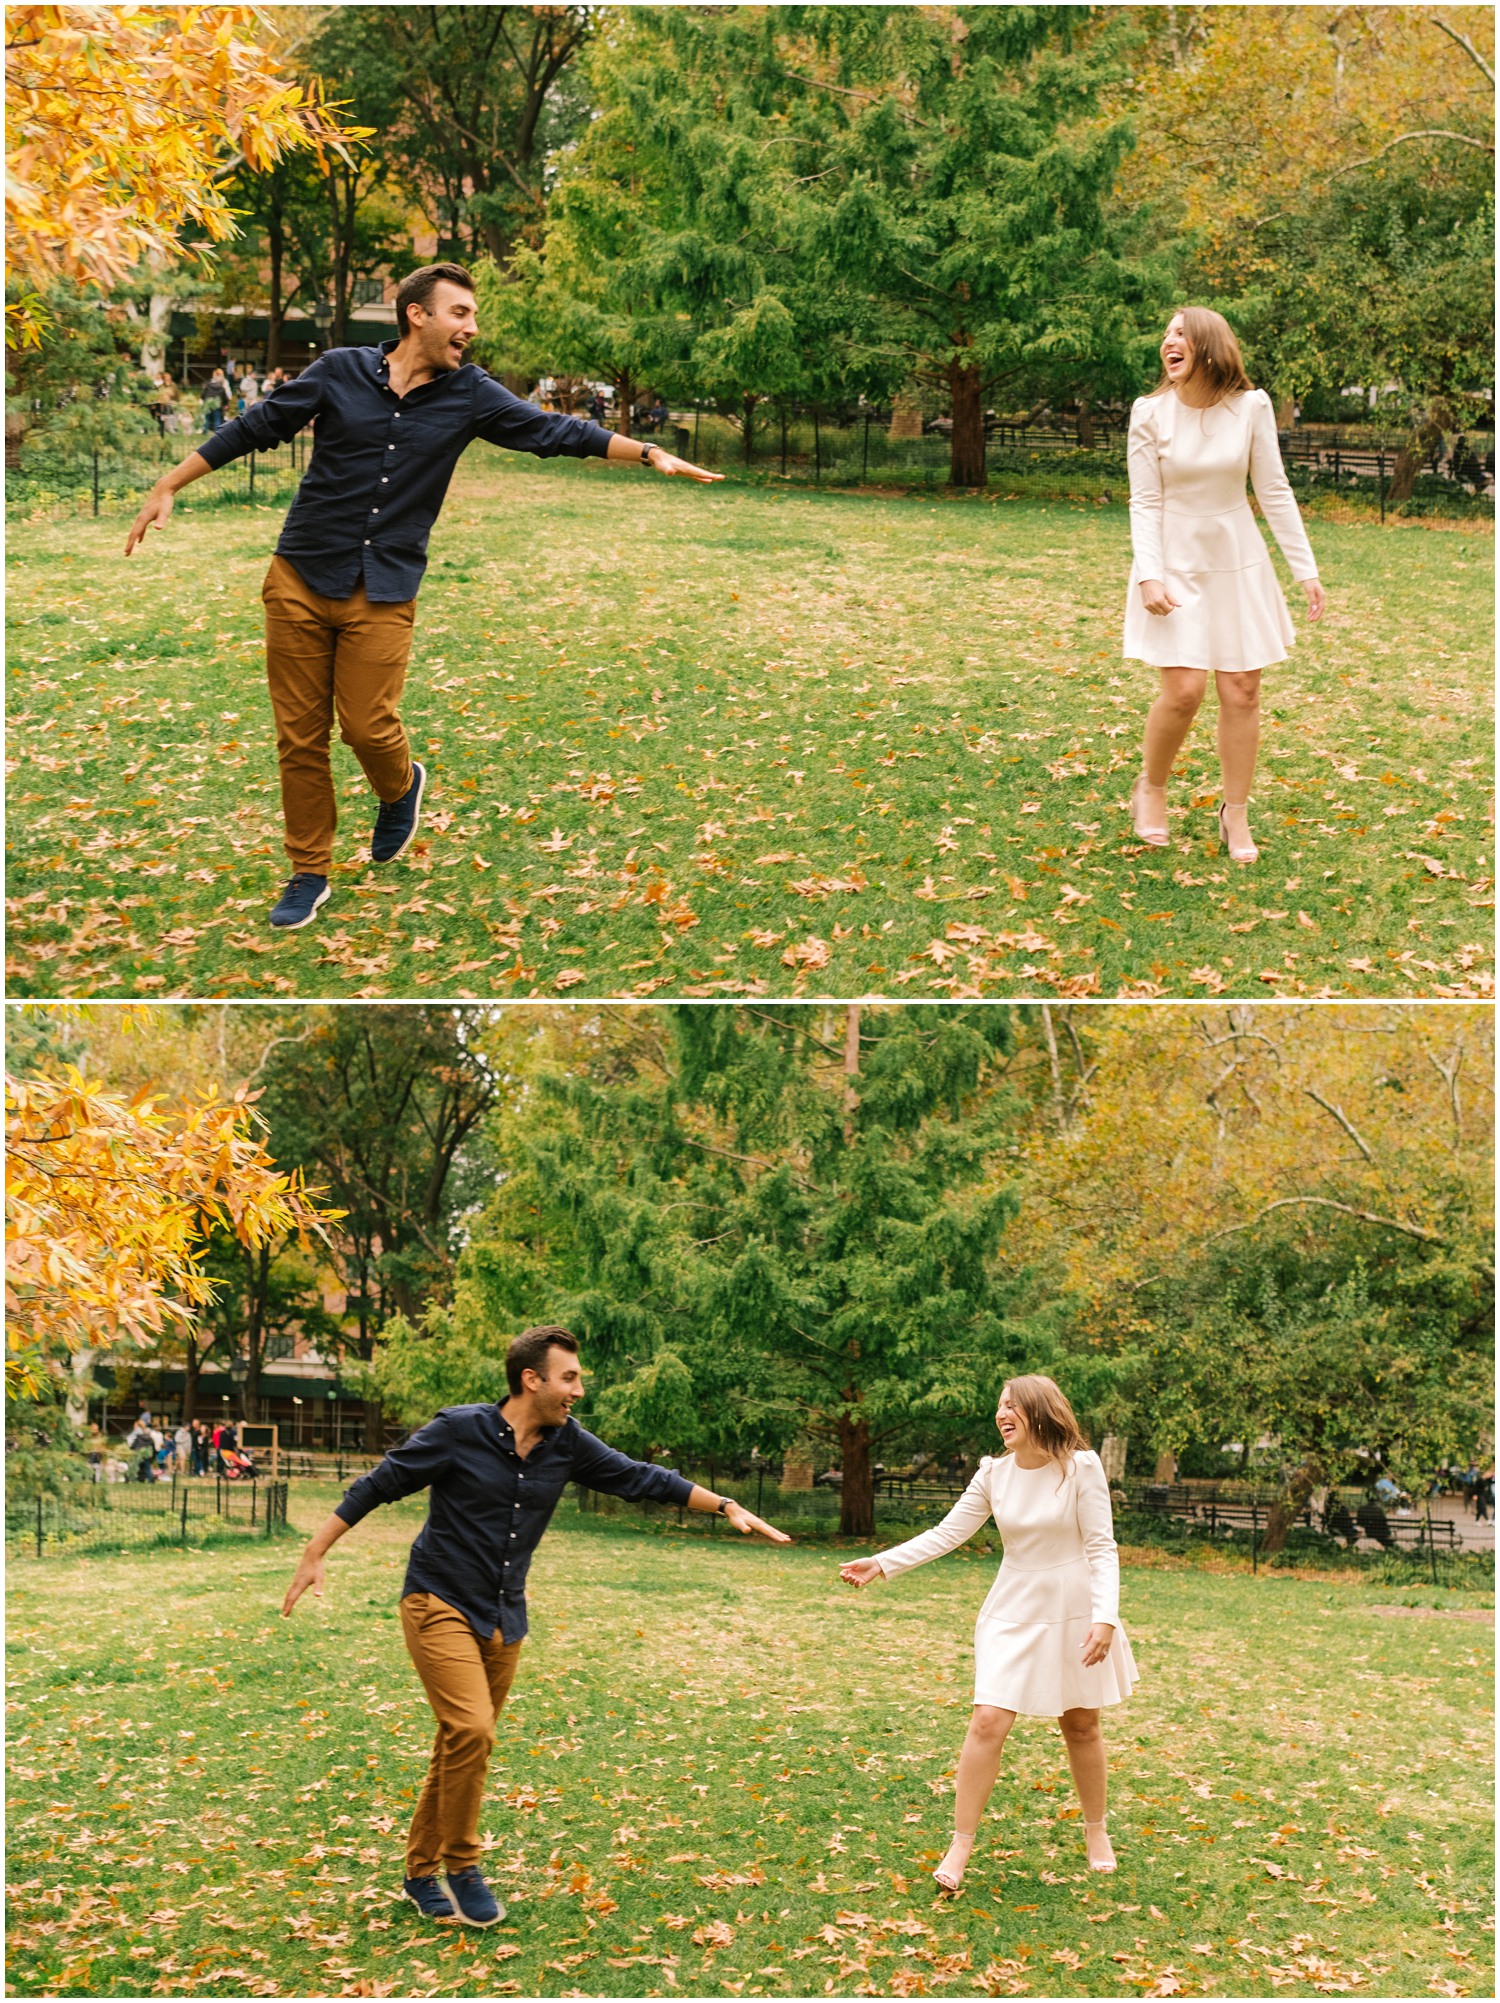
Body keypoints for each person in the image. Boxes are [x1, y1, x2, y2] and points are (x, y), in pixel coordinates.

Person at [124, 264, 724, 932]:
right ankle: (309, 871)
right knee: (300, 737)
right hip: (299, 575)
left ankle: (400, 785)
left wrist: (646, 453)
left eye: (472, 315)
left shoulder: (471, 394)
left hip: (383, 588)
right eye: (460, 313)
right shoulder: (338, 370)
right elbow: (255, 426)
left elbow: (552, 431)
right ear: (418, 316)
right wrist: (169, 484)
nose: (471, 327)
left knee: (365, 725)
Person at [282, 1324, 789, 1928]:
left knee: (458, 1744)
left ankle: (420, 1873)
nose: (577, 1390)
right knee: (471, 1729)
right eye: (569, 1377)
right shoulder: (458, 1430)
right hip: (437, 1600)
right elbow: (379, 1484)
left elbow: (640, 1477)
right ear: (532, 1379)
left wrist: (727, 1505)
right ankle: (463, 1866)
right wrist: (315, 1552)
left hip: (504, 1616)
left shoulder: (566, 1443)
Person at [839, 1375, 1137, 1890]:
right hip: (1011, 1610)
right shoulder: (993, 1475)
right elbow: (947, 1533)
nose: (1001, 1414)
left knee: (1082, 1724)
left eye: (1011, 1405)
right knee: (987, 1722)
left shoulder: (1080, 1468)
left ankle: (1096, 1832)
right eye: (999, 1406)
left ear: (1039, 1411)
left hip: (1074, 1608)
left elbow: (1101, 1548)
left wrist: (1104, 1617)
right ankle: (959, 1845)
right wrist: (883, 1563)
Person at [1124, 307, 1327, 864]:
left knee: (1242, 690)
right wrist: (1149, 573)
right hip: (1172, 558)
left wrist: (1303, 569)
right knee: (1185, 690)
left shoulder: (1251, 407)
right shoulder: (1149, 413)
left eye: (1181, 333)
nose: (1169, 341)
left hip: (1237, 557)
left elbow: (1275, 490)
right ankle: (1152, 787)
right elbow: (1144, 500)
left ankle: (1233, 812)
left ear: (1209, 346)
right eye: (1165, 333)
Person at [200, 369, 229, 434]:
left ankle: (205, 431)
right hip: (217, 406)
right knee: (217, 419)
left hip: (208, 405)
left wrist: (204, 401)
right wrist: (226, 404)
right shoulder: (222, 389)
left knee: (206, 419)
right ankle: (217, 432)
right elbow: (224, 398)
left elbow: (203, 395)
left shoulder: (208, 385)